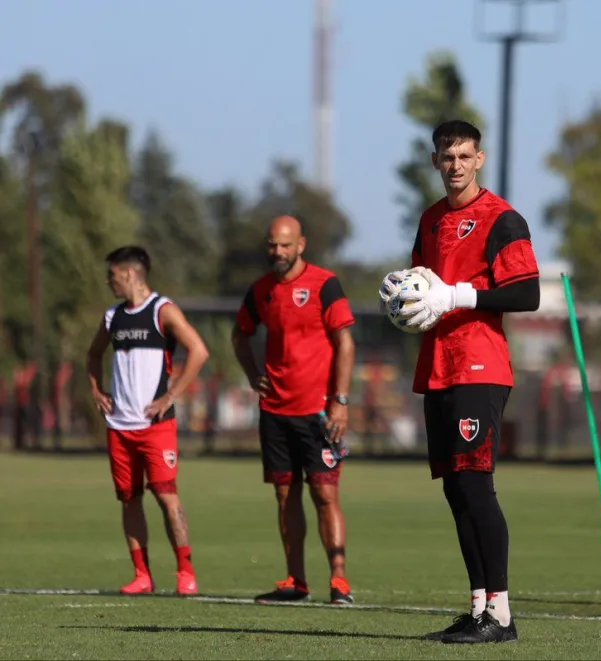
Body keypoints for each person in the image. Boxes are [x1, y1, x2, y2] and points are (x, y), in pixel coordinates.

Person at [379, 120, 540, 644]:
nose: (456, 165)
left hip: (480, 366)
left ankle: (502, 615)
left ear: (480, 159)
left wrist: (459, 295)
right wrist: (404, 300)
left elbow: (527, 294)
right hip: (438, 366)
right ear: (435, 162)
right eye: (447, 157)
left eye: (465, 156)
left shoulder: (503, 220)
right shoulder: (428, 221)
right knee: (455, 490)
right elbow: (421, 289)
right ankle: (478, 610)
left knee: (476, 485)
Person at [231, 215, 357, 605]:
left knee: (324, 494)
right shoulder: (261, 290)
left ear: (301, 244)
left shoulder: (324, 283)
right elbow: (240, 335)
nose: (278, 252)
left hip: (319, 413)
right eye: (272, 245)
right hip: (275, 411)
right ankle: (296, 581)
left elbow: (345, 344)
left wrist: (340, 401)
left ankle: (339, 581)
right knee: (286, 497)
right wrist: (254, 375)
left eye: (285, 245)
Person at [85, 246, 210, 595]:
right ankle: (142, 575)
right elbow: (93, 354)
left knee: (167, 497)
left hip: (156, 428)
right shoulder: (112, 318)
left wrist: (170, 397)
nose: (109, 282)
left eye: (112, 275)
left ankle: (185, 572)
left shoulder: (162, 311)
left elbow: (199, 351)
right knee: (129, 498)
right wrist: (97, 390)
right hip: (119, 427)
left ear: (129, 274)